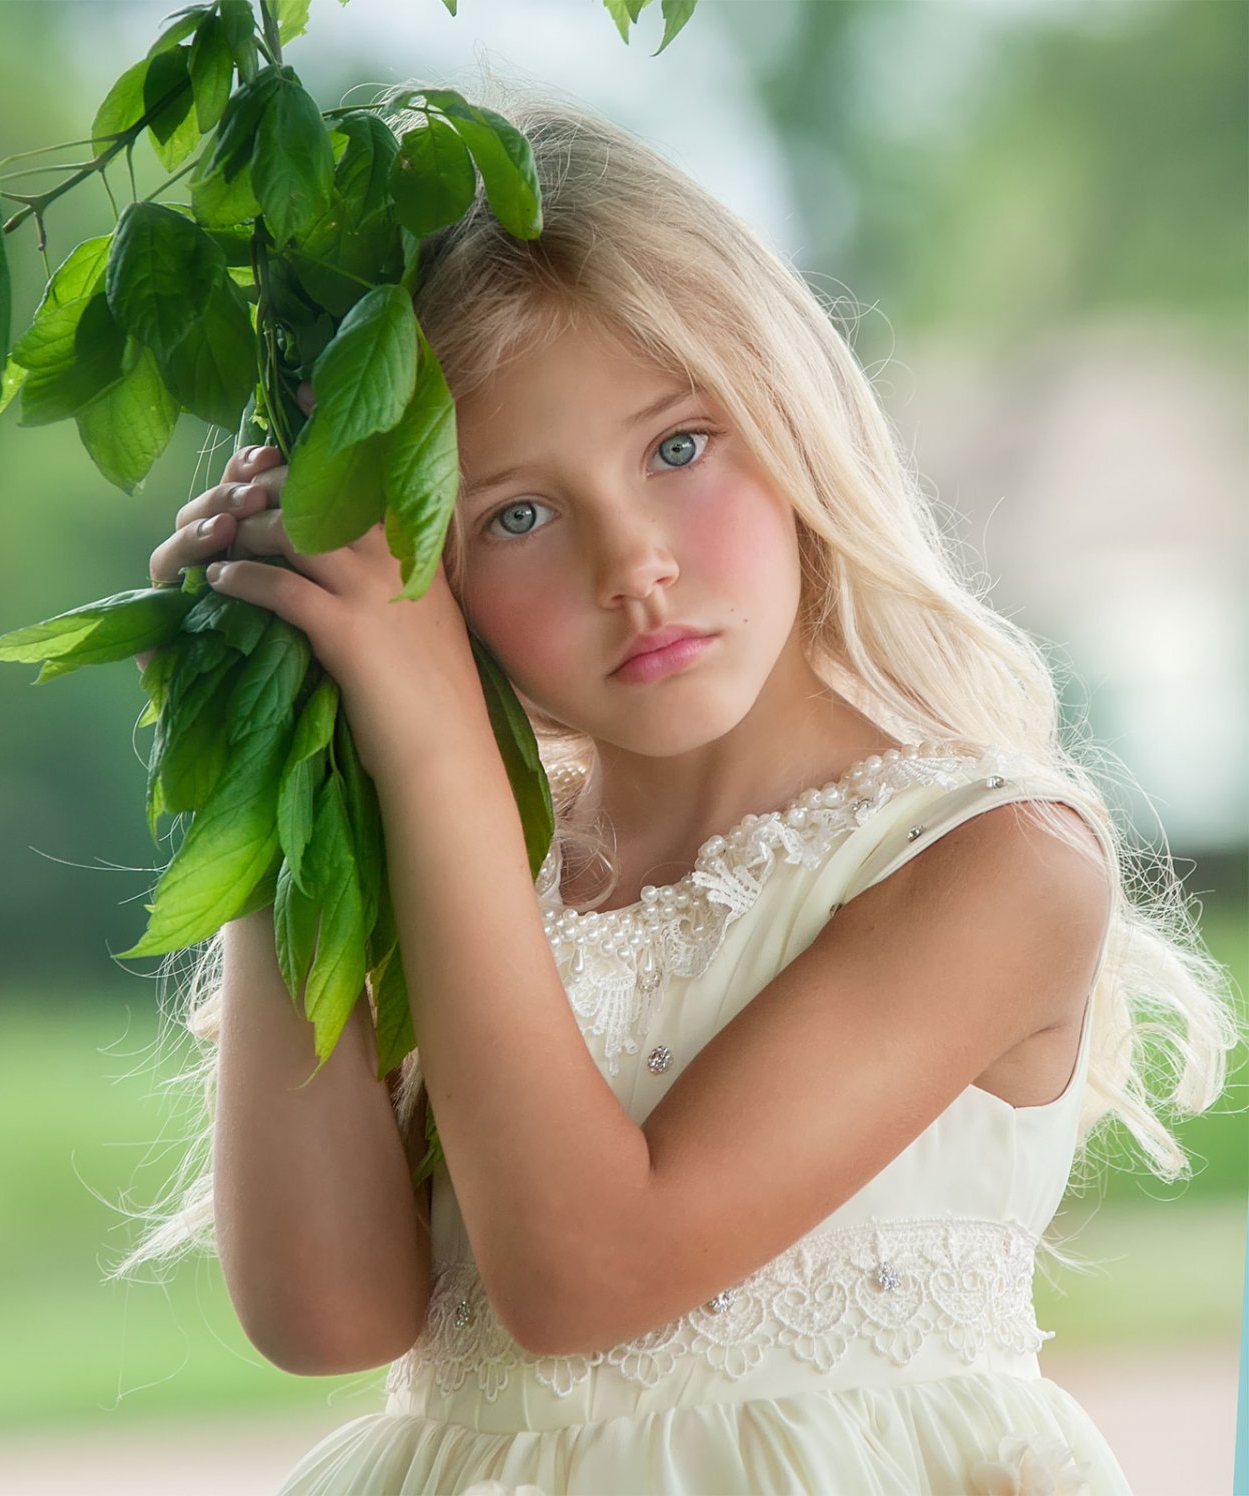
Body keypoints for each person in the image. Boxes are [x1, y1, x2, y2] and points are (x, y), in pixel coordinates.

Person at [112, 84, 1238, 1495]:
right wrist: (288, 742)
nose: (630, 560)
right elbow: (327, 1315)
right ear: (424, 575)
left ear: (795, 418)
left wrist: (443, 756)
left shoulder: (992, 864)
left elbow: (588, 1275)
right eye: (515, 514)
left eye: (679, 447)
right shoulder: (456, 857)